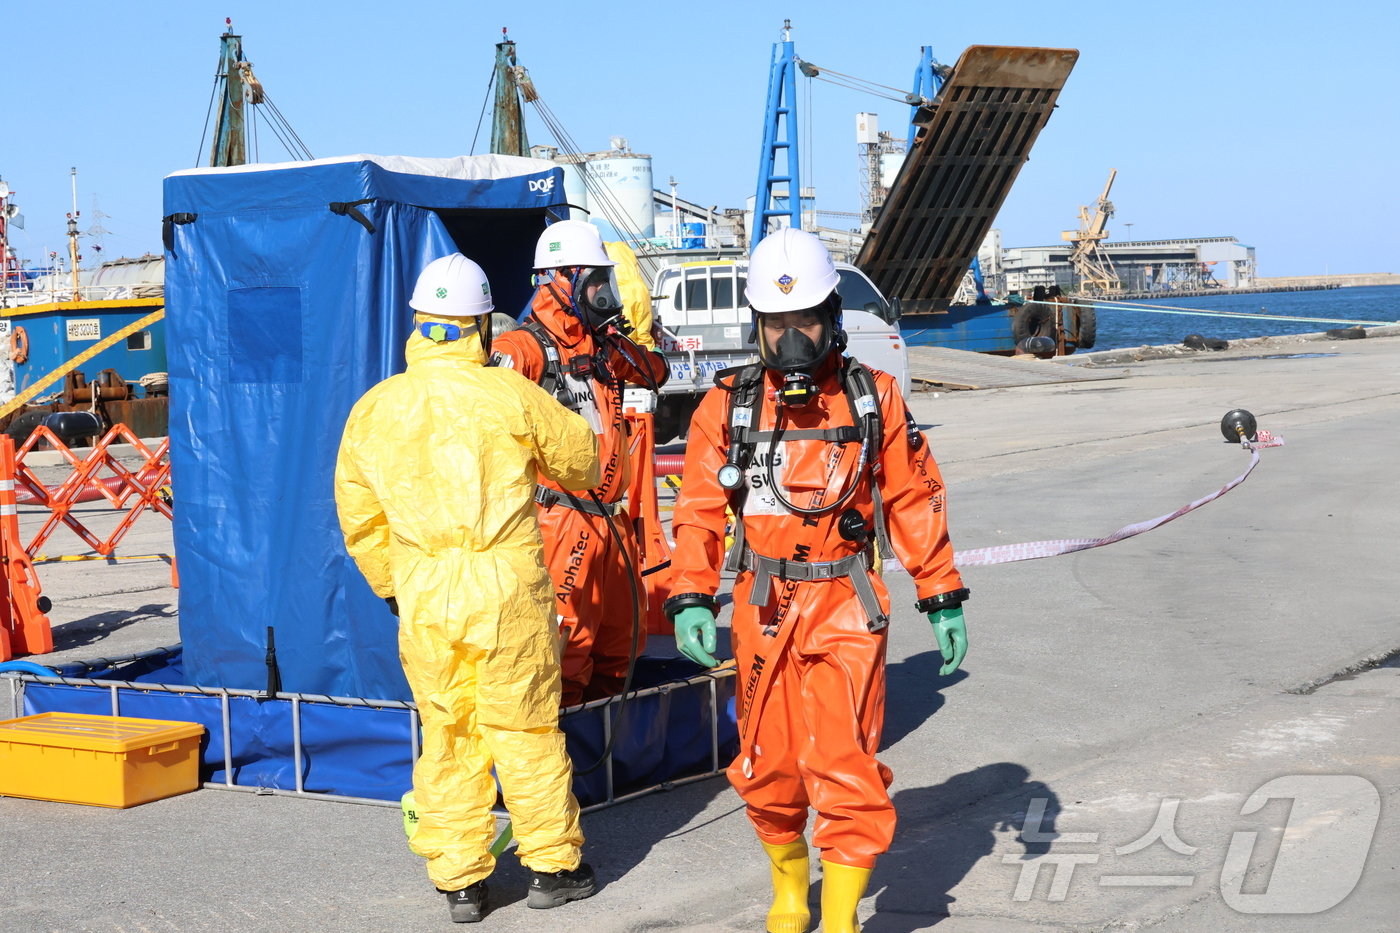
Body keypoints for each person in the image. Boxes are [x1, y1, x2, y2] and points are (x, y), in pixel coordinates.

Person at [664, 228, 969, 933]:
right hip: (762, 602)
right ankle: (788, 892)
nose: (793, 339)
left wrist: (941, 591)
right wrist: (688, 594)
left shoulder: (874, 399)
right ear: (757, 327)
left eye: (806, 321)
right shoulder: (728, 408)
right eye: (777, 325)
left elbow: (914, 498)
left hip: (845, 602)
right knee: (767, 761)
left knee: (841, 758)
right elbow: (701, 510)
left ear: (832, 319)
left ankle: (838, 917)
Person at [334, 252, 601, 923]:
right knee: (526, 728)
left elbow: (358, 513)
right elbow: (584, 460)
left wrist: (393, 583)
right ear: (481, 324)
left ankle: (460, 881)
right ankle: (552, 867)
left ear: (421, 325)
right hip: (504, 585)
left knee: (448, 732)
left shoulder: (375, 408)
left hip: (426, 590)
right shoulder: (510, 393)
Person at [490, 220, 670, 706]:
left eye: (604, 283)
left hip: (611, 522)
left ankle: (613, 763)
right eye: (596, 283)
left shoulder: (604, 348)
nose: (603, 294)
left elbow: (656, 373)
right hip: (561, 519)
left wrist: (621, 335)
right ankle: (563, 767)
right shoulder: (523, 349)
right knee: (566, 653)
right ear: (560, 281)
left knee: (620, 649)